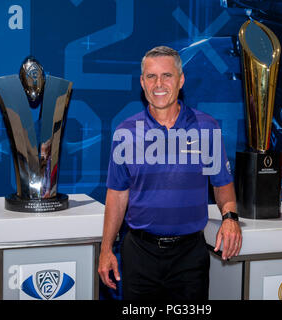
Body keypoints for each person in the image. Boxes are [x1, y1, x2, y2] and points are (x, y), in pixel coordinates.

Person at [98, 46, 242, 300]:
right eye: (151, 76)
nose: (159, 84)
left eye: (167, 75)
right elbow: (117, 195)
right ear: (142, 82)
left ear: (181, 79)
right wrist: (106, 249)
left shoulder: (206, 127)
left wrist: (230, 218)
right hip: (139, 255)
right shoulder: (126, 131)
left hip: (190, 257)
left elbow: (222, 185)